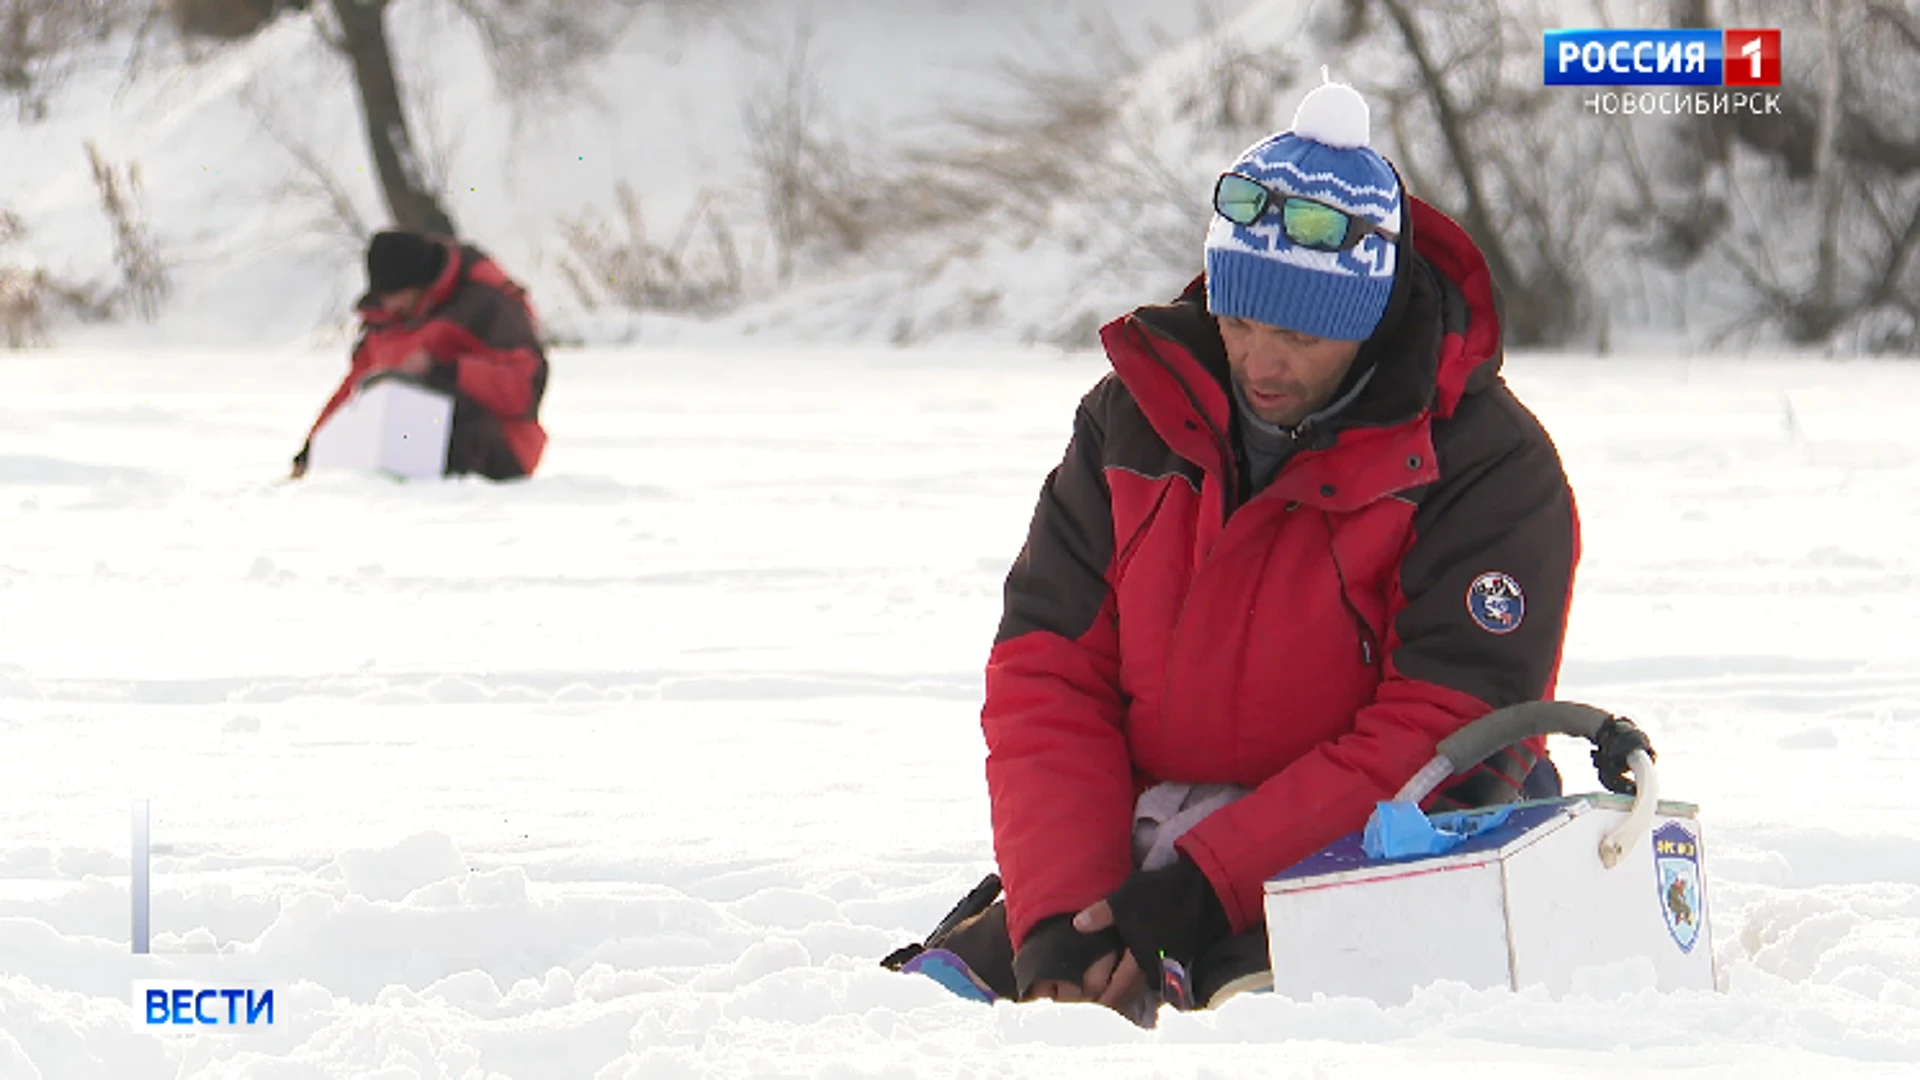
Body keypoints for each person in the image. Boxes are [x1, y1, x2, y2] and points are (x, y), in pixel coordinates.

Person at [895, 80, 1580, 1020]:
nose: (1259, 361)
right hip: (1151, 838)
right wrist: (1062, 911)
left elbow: (1444, 738)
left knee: (1242, 1015)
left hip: (1384, 846)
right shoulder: (1131, 421)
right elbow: (1049, 674)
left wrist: (1204, 890)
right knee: (948, 1009)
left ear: (1369, 318)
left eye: (1298, 333)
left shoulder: (1487, 468)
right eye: (1239, 319)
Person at [291, 229, 550, 481]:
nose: (392, 305)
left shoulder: (487, 306)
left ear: (421, 284)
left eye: (398, 295)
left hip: (500, 448)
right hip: (407, 449)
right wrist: (312, 450)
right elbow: (354, 390)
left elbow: (522, 390)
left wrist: (445, 370)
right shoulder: (385, 318)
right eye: (386, 297)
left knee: (413, 395)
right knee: (380, 396)